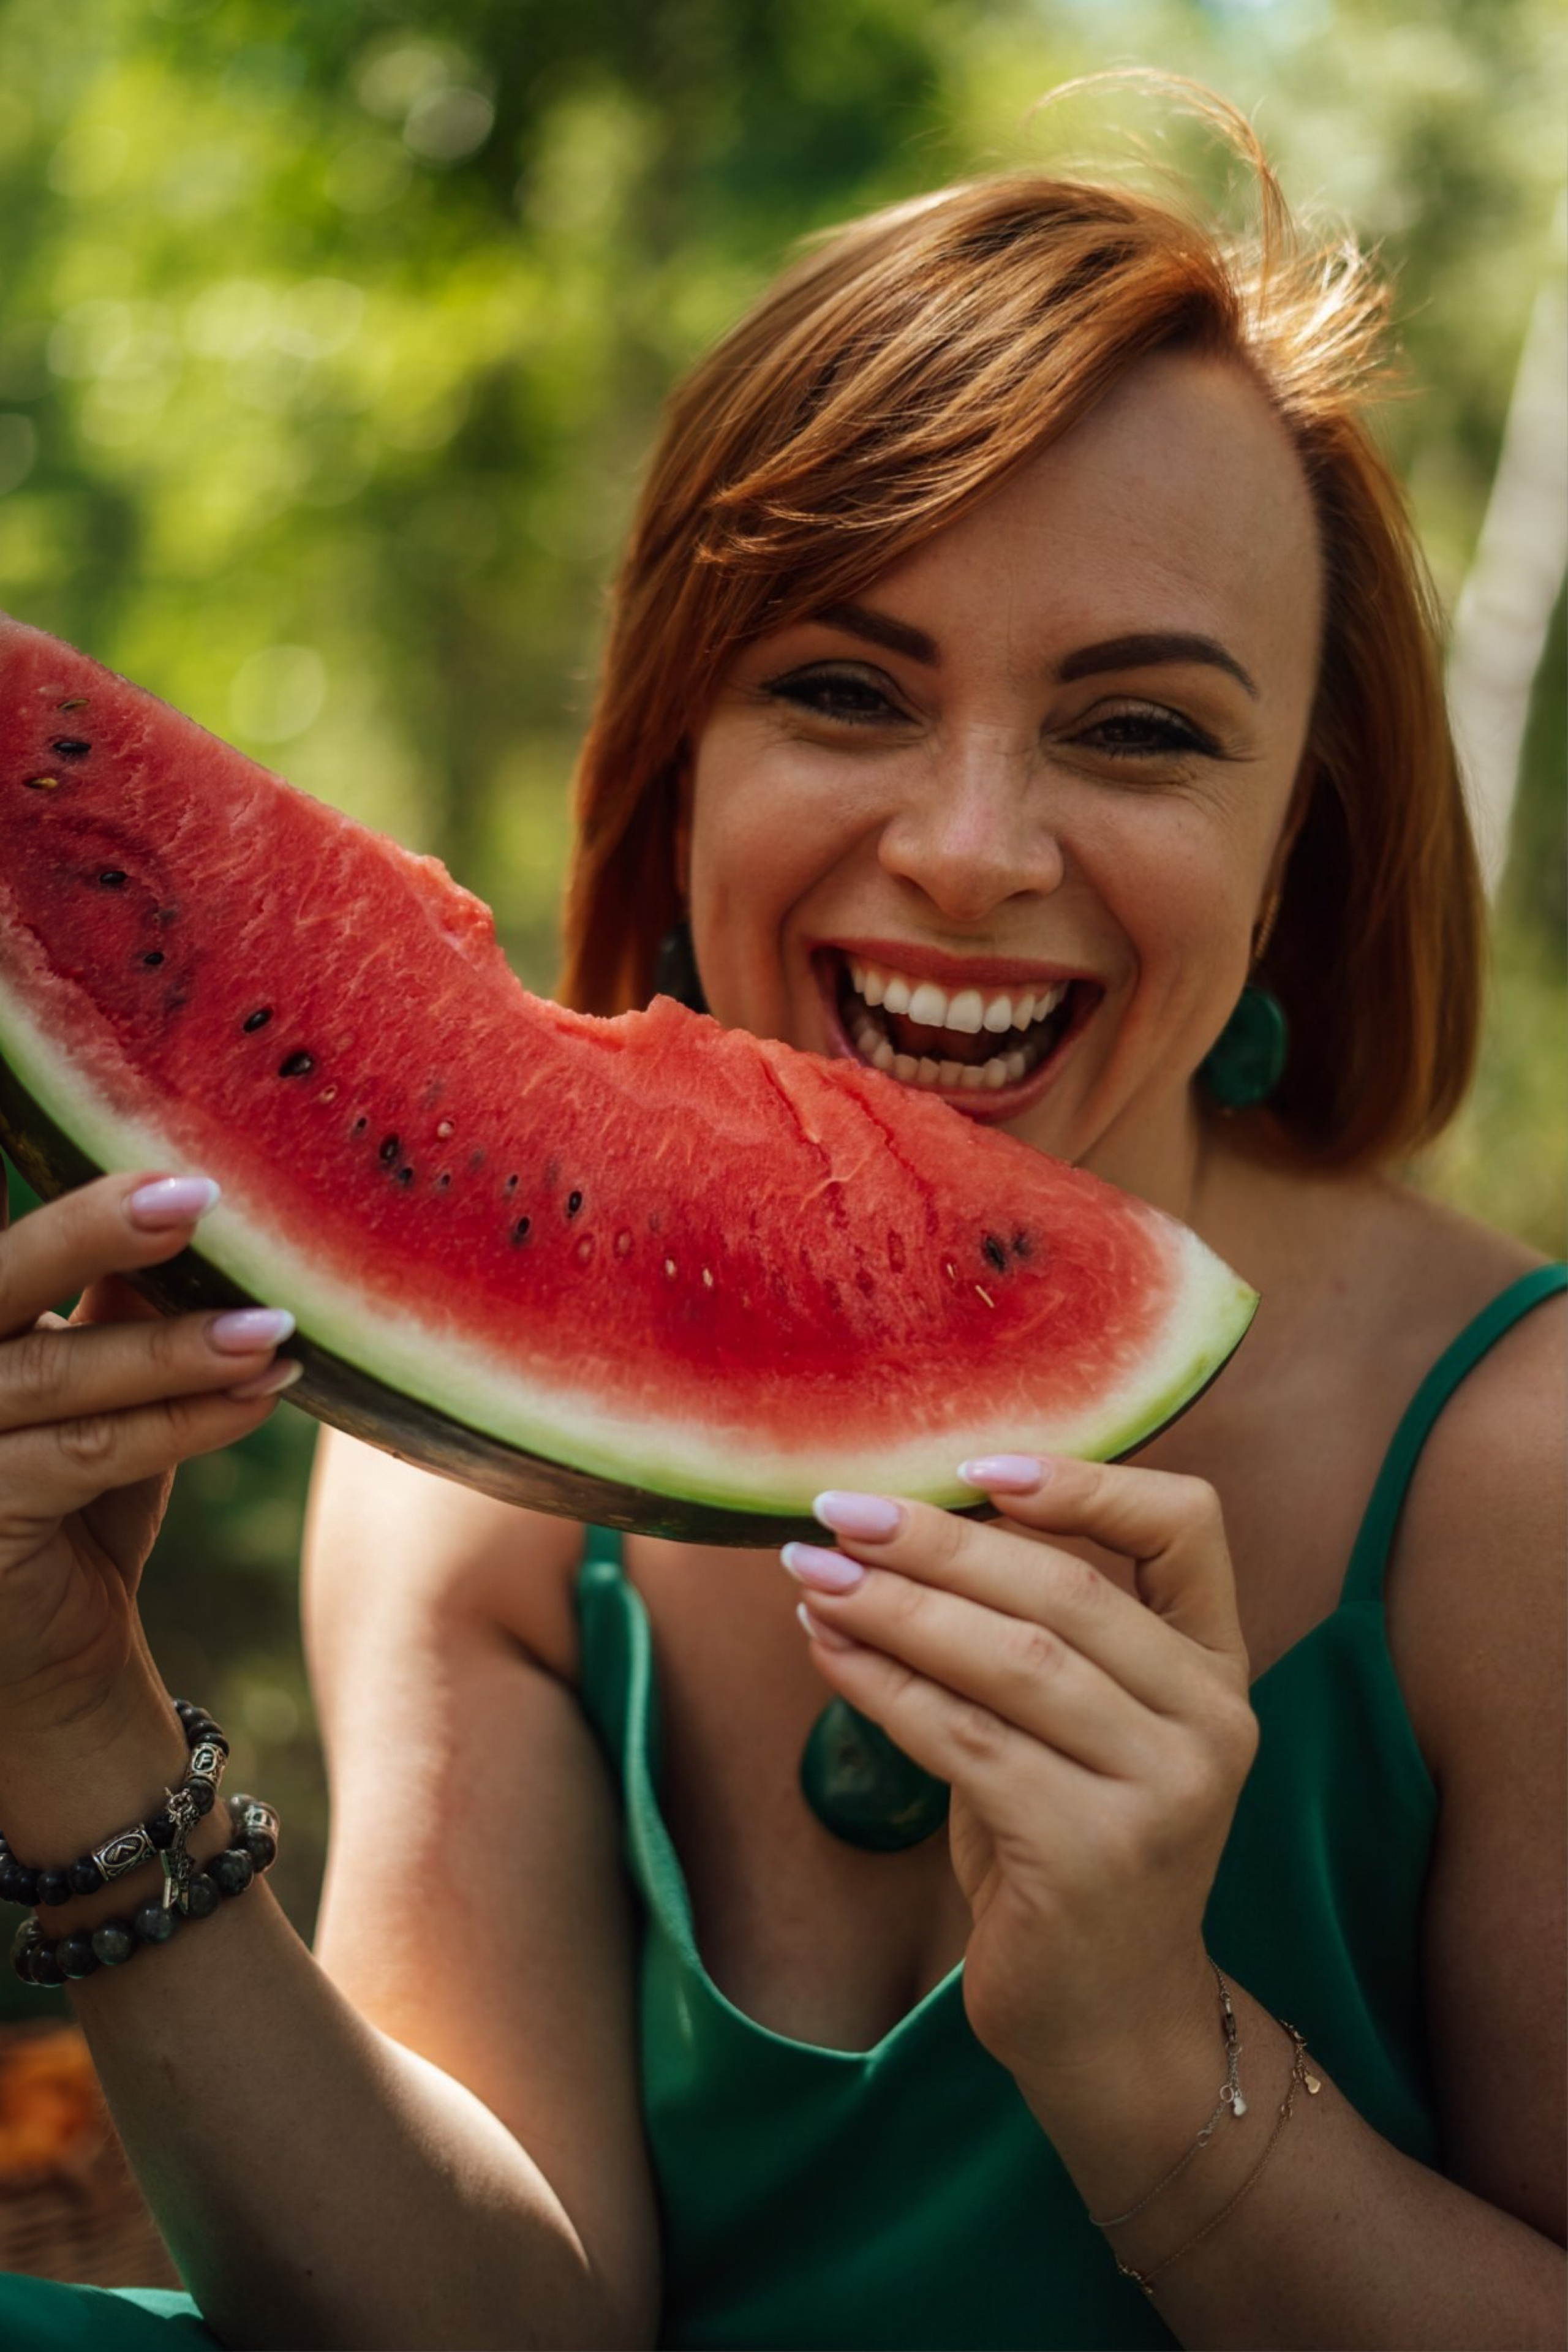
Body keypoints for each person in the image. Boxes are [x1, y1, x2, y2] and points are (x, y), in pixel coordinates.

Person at [0, 89, 1562, 2352]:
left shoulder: (1515, 1475)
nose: (968, 847)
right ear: (676, 751)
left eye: (1137, 732)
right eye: (843, 690)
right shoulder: (473, 1497)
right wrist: (80, 1737)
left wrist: (1142, 2064)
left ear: (1298, 842)